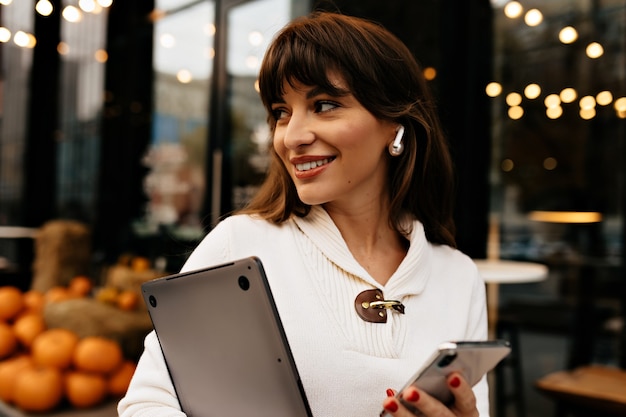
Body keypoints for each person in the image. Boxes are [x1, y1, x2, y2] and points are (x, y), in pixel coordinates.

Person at [118, 10, 489, 417]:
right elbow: (148, 404)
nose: (291, 136)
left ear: (394, 125)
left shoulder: (458, 276)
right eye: (281, 112)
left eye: (325, 105)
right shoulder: (240, 244)